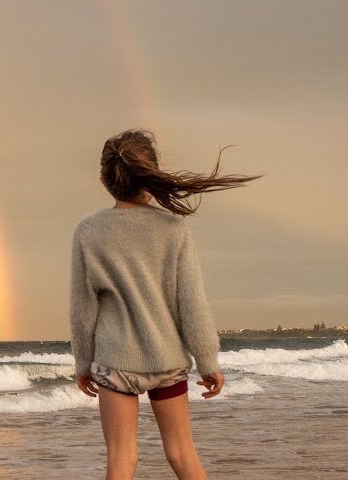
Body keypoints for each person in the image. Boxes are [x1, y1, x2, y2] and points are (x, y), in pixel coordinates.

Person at [70, 128, 263, 480]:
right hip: (168, 361)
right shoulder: (173, 229)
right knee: (182, 454)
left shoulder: (88, 231)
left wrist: (83, 361)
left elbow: (83, 309)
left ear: (104, 179)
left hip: (115, 363)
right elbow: (190, 303)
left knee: (121, 460)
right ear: (151, 175)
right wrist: (207, 360)